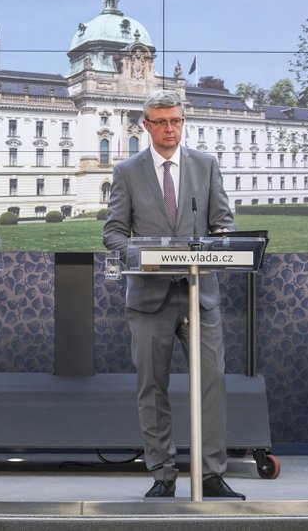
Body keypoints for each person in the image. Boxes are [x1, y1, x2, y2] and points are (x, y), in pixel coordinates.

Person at [103, 90, 244, 500]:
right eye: (161, 122)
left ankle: (211, 474)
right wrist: (144, 255)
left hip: (201, 294)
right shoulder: (128, 170)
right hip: (149, 297)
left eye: (176, 121)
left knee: (212, 383)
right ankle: (162, 473)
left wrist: (222, 239)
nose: (170, 129)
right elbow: (113, 231)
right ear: (146, 126)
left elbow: (224, 223)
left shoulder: (206, 165)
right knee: (152, 386)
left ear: (184, 123)